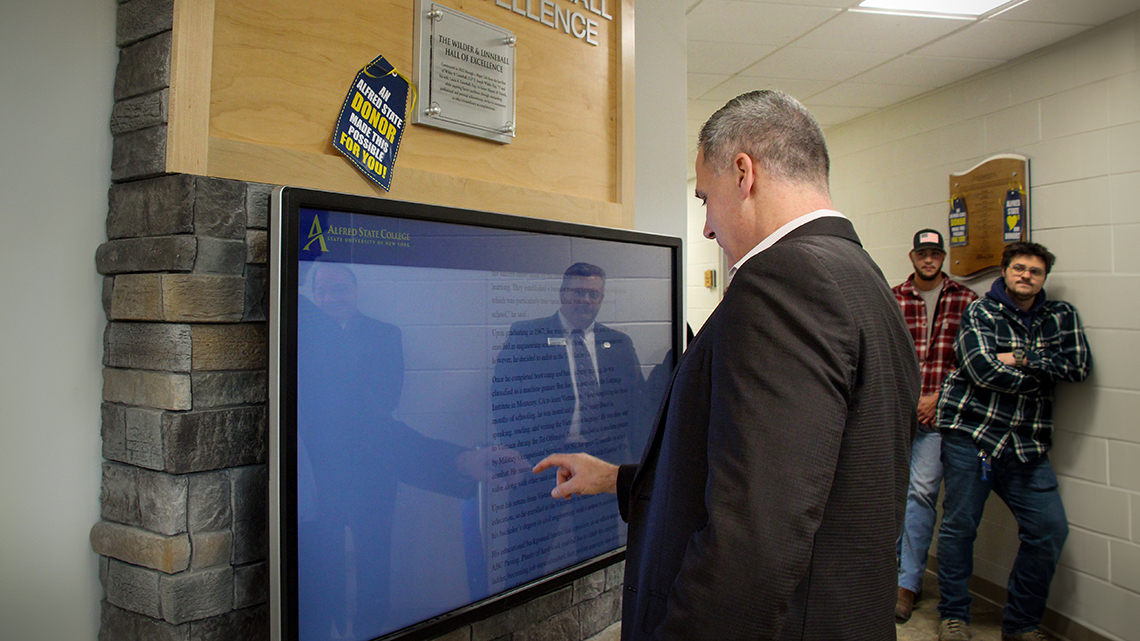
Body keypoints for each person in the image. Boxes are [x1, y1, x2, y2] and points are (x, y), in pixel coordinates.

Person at [533, 90, 919, 640]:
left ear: (743, 173)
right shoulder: (862, 276)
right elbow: (797, 474)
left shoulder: (783, 284)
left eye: (704, 199)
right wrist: (619, 480)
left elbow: (754, 536)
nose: (708, 228)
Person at [934, 242, 1090, 641]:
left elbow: (1078, 367)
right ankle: (954, 615)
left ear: (1043, 279)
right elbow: (981, 369)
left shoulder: (1061, 315)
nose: (1026, 276)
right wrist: (1040, 365)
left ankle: (1020, 624)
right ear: (1005, 271)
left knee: (1049, 530)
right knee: (959, 528)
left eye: (1035, 272)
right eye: (1019, 268)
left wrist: (1017, 357)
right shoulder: (980, 310)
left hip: (1026, 444)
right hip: (973, 435)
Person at [489, 263, 650, 583]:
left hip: (600, 464)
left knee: (599, 553)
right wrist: (518, 454)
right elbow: (503, 399)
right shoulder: (527, 335)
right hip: (541, 467)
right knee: (524, 560)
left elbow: (637, 407)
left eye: (594, 295)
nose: (586, 301)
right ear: (563, 294)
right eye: (579, 292)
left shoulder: (618, 342)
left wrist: (637, 467)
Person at [893, 229, 978, 622]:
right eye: (922, 253)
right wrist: (910, 400)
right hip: (896, 414)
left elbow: (972, 361)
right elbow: (884, 353)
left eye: (935, 253)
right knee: (887, 495)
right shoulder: (893, 297)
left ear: (943, 257)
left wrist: (936, 398)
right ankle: (882, 574)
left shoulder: (966, 300)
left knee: (921, 495)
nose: (929, 259)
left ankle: (906, 584)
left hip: (939, 418)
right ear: (913, 256)